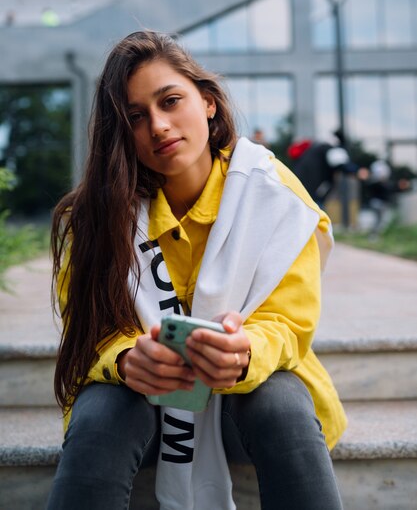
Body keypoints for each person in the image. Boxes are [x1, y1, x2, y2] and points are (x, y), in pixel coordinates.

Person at [47, 30, 346, 510]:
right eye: (136, 117)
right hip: (144, 411)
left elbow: (289, 325)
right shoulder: (96, 216)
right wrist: (128, 361)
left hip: (243, 409)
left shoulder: (272, 193)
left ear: (208, 102)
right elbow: (93, 335)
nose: (160, 126)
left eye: (171, 101)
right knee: (103, 407)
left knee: (282, 401)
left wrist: (244, 352)